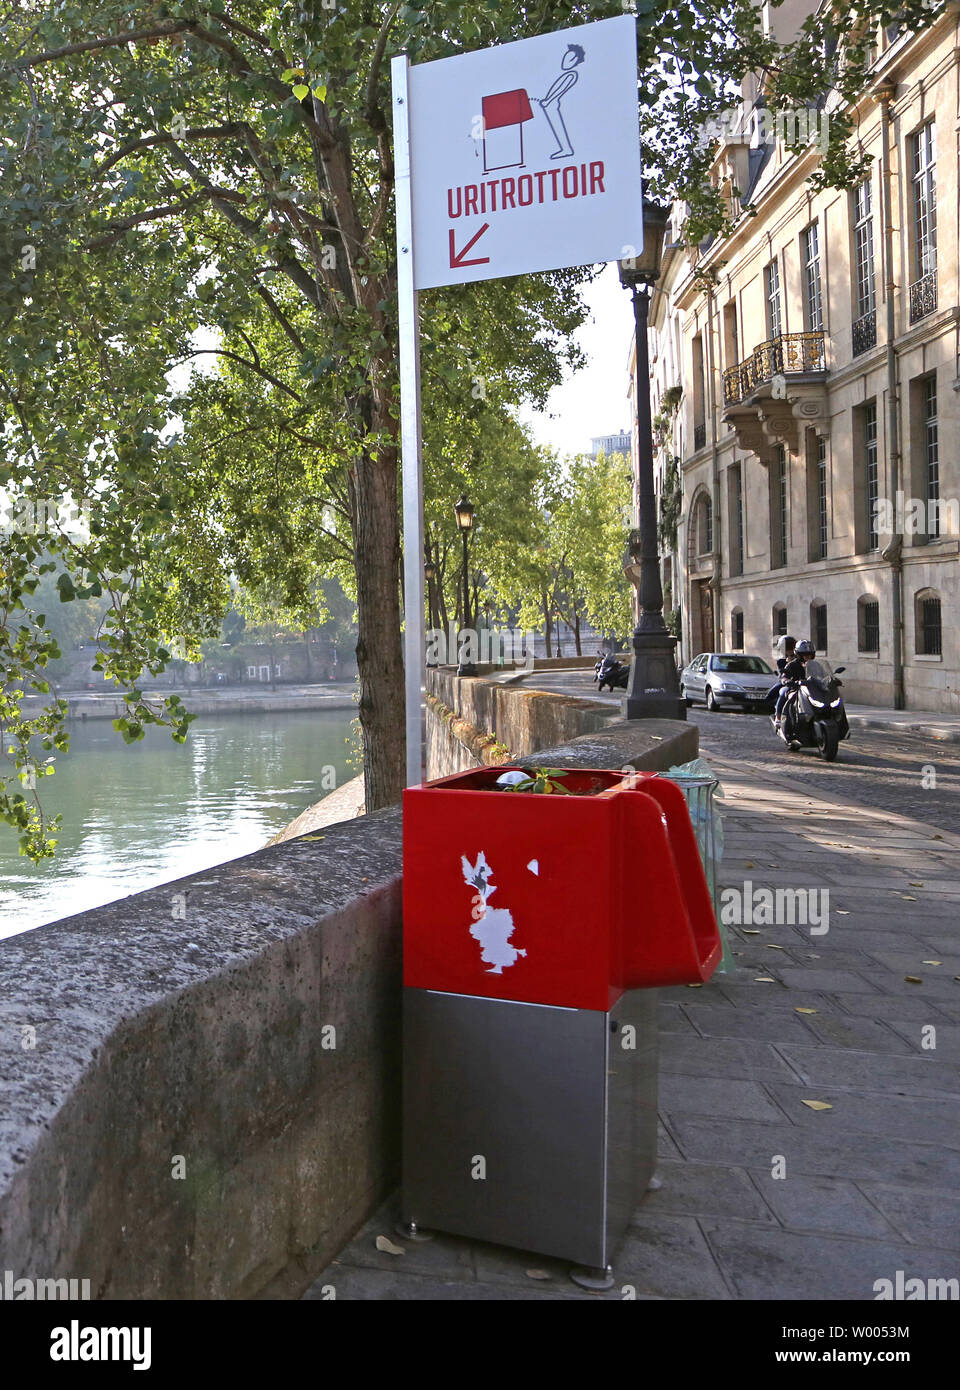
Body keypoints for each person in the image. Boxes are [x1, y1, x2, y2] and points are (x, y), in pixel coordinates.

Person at [776, 639, 817, 740]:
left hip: (812, 690)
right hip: (796, 688)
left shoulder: (815, 665)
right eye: (804, 655)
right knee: (784, 694)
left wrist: (831, 680)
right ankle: (779, 717)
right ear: (798, 655)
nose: (807, 657)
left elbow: (823, 675)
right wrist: (786, 680)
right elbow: (784, 675)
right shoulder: (792, 664)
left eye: (810, 655)